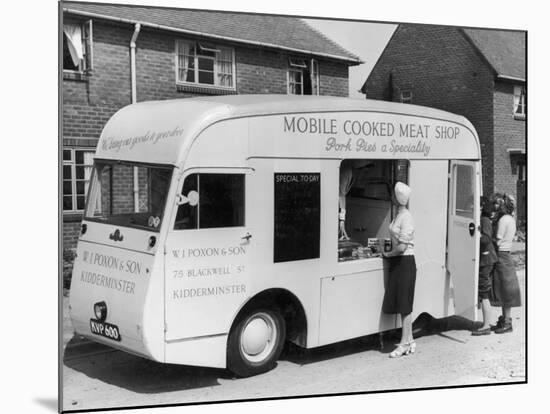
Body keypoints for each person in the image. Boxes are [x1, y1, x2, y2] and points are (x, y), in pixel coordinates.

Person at [382, 182, 417, 357]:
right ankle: (409, 340)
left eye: (393, 194)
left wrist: (388, 254)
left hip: (405, 261)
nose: (391, 197)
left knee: (405, 304)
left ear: (397, 198)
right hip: (399, 262)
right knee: (403, 302)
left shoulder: (406, 217)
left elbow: (403, 247)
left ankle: (404, 343)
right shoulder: (399, 215)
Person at [491, 194, 522, 333]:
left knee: (505, 289)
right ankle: (504, 319)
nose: (495, 206)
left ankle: (507, 322)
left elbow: (498, 240)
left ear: (503, 205)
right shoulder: (511, 219)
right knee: (505, 289)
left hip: (501, 255)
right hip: (506, 254)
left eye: (498, 204)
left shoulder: (503, 220)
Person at [471, 196, 498, 335]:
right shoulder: (484, 219)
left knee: (484, 291)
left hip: (486, 259)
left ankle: (486, 326)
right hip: (487, 259)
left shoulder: (484, 220)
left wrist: (475, 236)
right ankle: (485, 323)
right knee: (483, 291)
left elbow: (486, 239)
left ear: (481, 207)